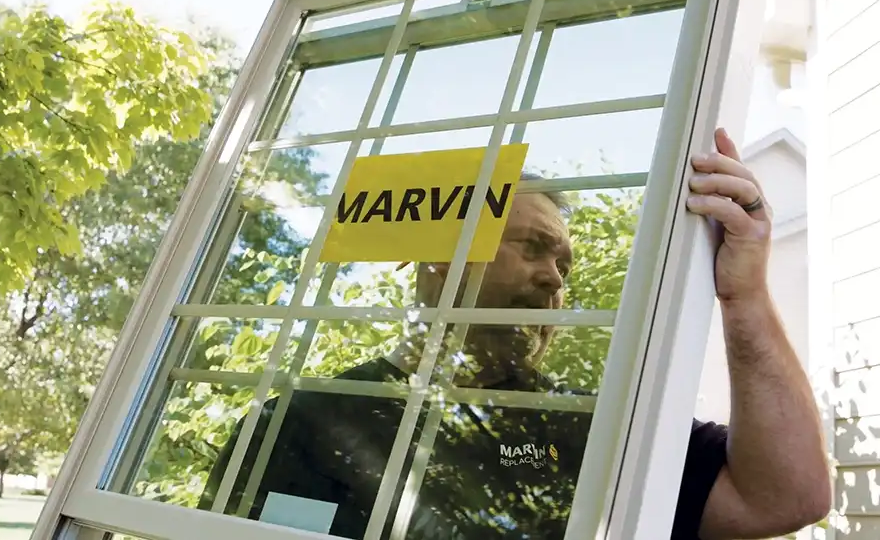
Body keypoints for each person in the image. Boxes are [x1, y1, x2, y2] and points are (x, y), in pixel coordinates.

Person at [198, 128, 829, 539]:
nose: (556, 281)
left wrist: (742, 293)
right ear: (441, 258)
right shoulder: (305, 422)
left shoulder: (591, 424)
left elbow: (788, 497)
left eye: (566, 266)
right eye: (534, 247)